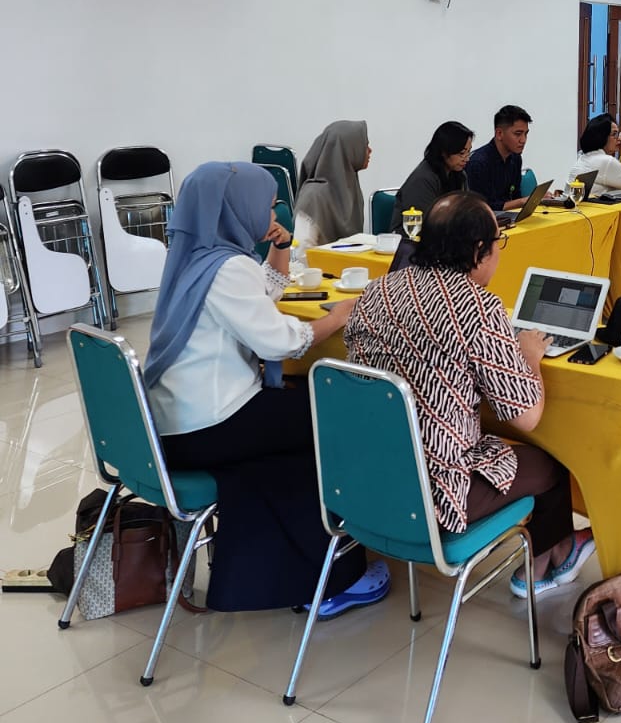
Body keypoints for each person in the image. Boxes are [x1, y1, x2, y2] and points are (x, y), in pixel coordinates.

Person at [142, 161, 387, 615]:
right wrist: (340, 316)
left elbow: (260, 295)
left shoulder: (196, 256)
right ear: (235, 208)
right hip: (211, 425)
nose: (273, 212)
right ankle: (336, 574)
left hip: (176, 425)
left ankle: (287, 569)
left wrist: (281, 246)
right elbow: (280, 342)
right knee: (339, 413)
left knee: (292, 427)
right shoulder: (228, 267)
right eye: (267, 204)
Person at [346, 191, 594, 598]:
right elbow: (527, 416)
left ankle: (557, 552)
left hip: (363, 477)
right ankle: (544, 563)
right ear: (480, 250)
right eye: (499, 242)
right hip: (434, 492)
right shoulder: (477, 308)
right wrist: (529, 357)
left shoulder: (377, 292)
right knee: (551, 464)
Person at [293, 120, 371, 247]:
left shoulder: (349, 186)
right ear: (348, 149)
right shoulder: (313, 196)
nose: (369, 150)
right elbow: (301, 250)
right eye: (365, 145)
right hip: (320, 260)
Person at [392, 121, 474, 225]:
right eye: (462, 153)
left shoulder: (459, 174)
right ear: (444, 152)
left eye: (468, 152)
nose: (467, 159)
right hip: (413, 232)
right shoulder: (423, 180)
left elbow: (466, 211)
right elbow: (426, 224)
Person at [466, 104, 532, 212]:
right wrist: (522, 202)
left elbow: (515, 195)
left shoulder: (515, 158)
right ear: (499, 134)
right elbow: (482, 208)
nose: (523, 140)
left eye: (526, 134)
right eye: (518, 134)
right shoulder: (478, 163)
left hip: (509, 217)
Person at [568, 114, 621, 195]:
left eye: (618, 134)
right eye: (614, 134)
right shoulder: (605, 161)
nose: (619, 139)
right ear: (601, 136)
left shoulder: (584, 157)